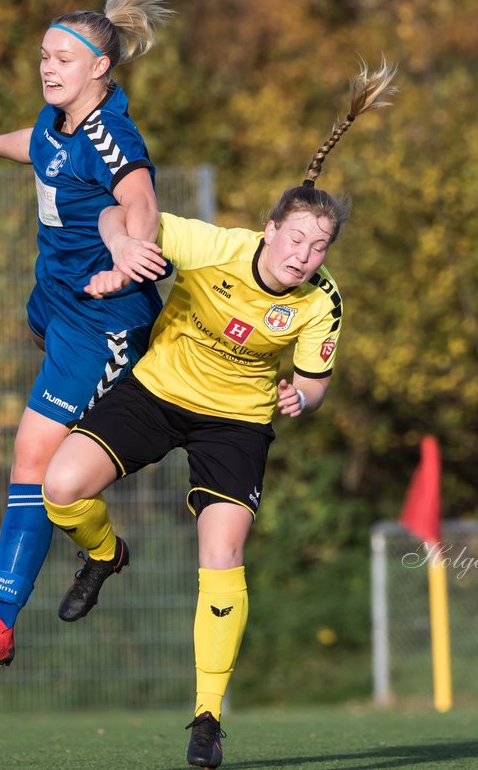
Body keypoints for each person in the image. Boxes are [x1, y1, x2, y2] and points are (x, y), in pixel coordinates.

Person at [38, 61, 396, 769]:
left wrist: (303, 395)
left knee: (222, 554)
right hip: (157, 391)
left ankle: (207, 718)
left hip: (236, 421)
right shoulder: (213, 248)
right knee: (60, 488)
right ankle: (106, 555)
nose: (304, 255)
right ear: (269, 230)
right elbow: (120, 211)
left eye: (319, 247)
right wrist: (121, 246)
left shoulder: (322, 303)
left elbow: (318, 381)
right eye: (295, 239)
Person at [0, 0, 173, 666]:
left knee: (35, 462)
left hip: (103, 320)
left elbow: (141, 198)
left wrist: (133, 248)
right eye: (43, 54)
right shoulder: (58, 121)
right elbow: (38, 147)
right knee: (37, 464)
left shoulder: (111, 133)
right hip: (55, 300)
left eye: (62, 58)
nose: (47, 66)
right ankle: (80, 563)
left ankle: (0, 622)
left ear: (99, 67)